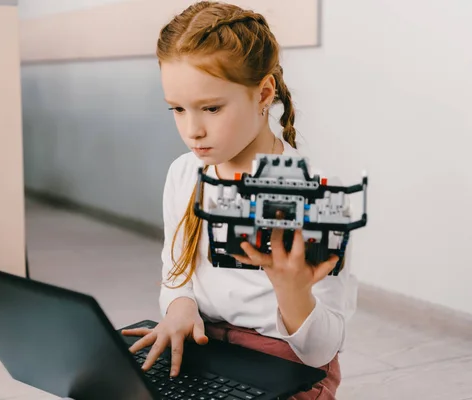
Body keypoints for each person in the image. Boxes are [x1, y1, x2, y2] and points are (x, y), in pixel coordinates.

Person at [121, 1, 358, 398]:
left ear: (263, 92)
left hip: (286, 365)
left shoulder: (316, 195)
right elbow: (175, 274)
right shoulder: (184, 173)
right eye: (177, 109)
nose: (192, 130)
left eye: (211, 108)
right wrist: (180, 305)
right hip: (208, 351)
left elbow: (320, 352)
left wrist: (292, 292)